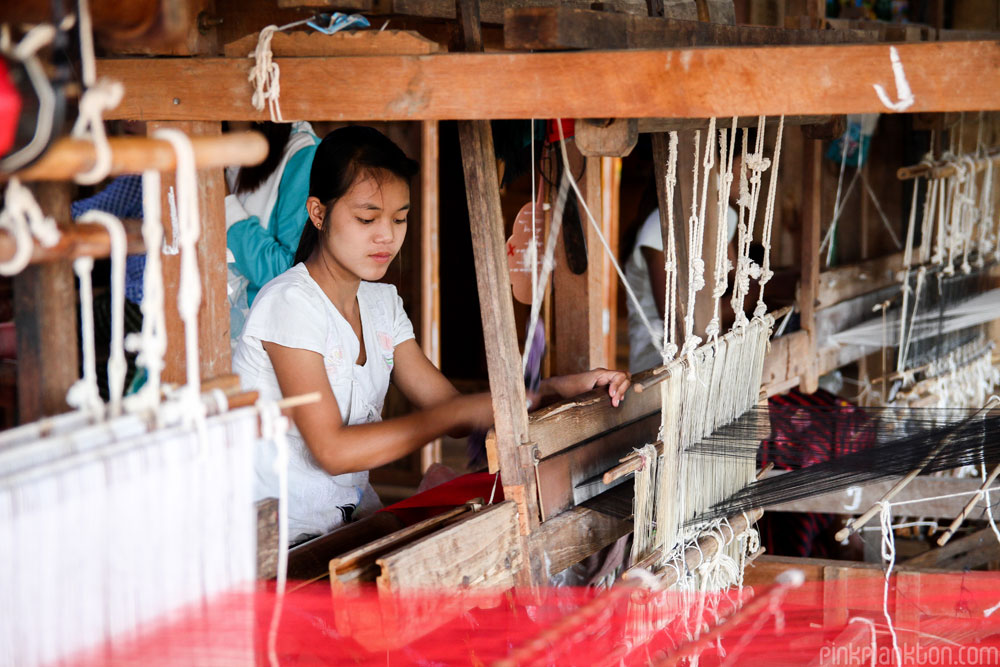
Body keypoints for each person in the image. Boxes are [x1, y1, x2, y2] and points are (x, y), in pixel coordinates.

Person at [233, 126, 630, 543]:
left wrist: (559, 389)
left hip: (344, 526)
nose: (386, 235)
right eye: (367, 218)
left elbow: (455, 411)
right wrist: (445, 418)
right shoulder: (291, 304)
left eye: (399, 219)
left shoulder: (380, 305)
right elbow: (333, 450)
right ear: (318, 213)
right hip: (279, 542)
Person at [225, 120, 319, 341]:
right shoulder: (206, 140)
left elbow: (291, 270)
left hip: (263, 343)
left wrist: (223, 202)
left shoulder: (303, 153)